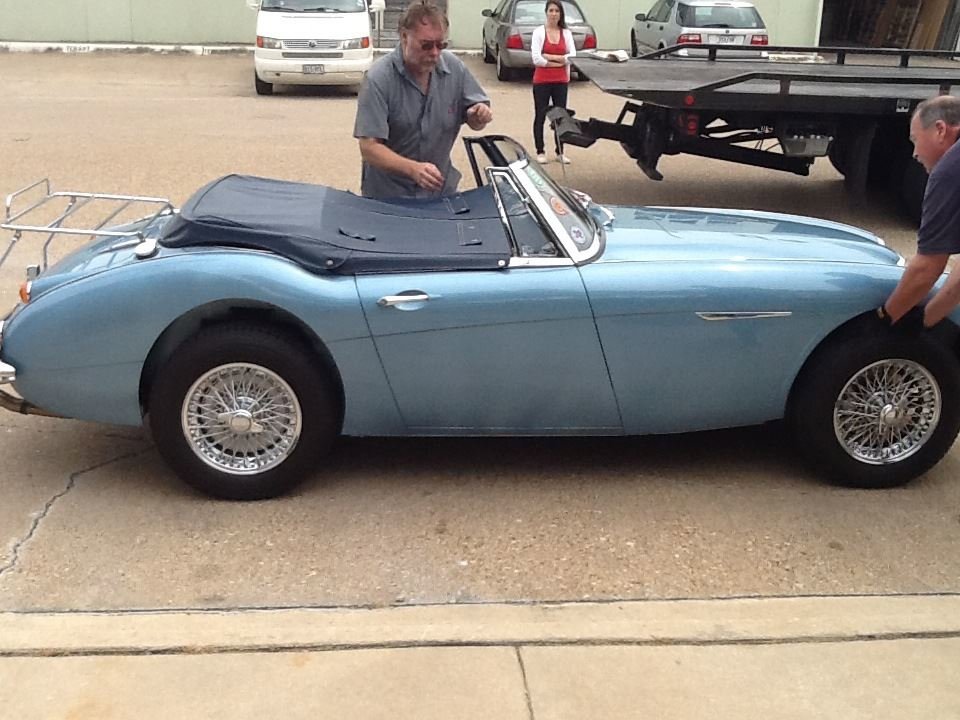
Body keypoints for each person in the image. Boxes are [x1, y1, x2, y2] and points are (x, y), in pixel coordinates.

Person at [353, 0, 493, 199]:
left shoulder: (455, 69)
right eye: (426, 45)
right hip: (389, 199)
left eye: (441, 45)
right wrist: (412, 169)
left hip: (439, 193)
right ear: (404, 37)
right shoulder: (378, 78)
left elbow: (476, 117)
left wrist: (477, 115)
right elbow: (369, 148)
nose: (435, 53)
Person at [878, 95, 960, 330]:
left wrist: (885, 319)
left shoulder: (950, 170)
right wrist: (924, 323)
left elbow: (927, 267)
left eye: (915, 140)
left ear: (940, 130)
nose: (914, 153)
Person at [530, 0, 576, 165]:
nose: (554, 14)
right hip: (542, 80)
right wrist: (557, 61)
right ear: (546, 12)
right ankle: (540, 150)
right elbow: (537, 58)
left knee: (561, 116)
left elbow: (571, 57)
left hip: (561, 81)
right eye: (551, 10)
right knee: (540, 115)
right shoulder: (539, 33)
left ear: (560, 14)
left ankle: (560, 151)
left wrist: (550, 56)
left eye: (557, 11)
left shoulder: (566, 33)